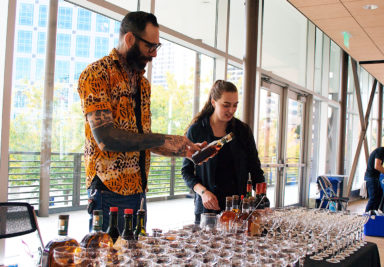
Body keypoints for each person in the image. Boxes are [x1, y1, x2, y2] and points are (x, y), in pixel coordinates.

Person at [77, 11, 201, 233]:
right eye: (150, 47)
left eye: (157, 47)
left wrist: (181, 149)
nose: (154, 55)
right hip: (108, 191)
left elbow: (140, 139)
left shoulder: (142, 85)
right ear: (130, 39)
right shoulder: (96, 74)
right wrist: (165, 138)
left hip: (139, 190)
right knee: (111, 259)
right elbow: (106, 139)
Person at [181, 80, 265, 224]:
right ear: (213, 102)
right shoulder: (196, 130)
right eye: (226, 105)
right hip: (207, 210)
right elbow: (186, 172)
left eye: (235, 105)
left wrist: (261, 202)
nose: (231, 110)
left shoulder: (242, 130)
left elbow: (256, 170)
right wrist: (203, 192)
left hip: (238, 209)